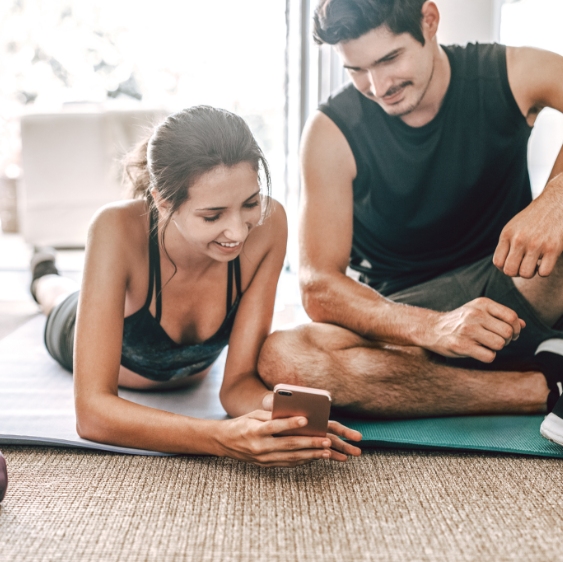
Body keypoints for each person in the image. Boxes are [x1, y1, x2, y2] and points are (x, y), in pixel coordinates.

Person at [257, 0, 563, 446]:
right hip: (405, 324)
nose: (378, 86)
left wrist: (556, 196)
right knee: (284, 358)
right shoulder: (330, 132)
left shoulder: (512, 71)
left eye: (389, 58)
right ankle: (538, 386)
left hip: (515, 282)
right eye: (356, 69)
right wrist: (434, 328)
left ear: (429, 20)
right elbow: (318, 284)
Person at [31, 106, 361, 466]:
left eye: (249, 203)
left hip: (188, 377)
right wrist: (221, 438)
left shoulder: (269, 224)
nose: (237, 233)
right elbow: (92, 414)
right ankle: (43, 274)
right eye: (212, 216)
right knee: (56, 295)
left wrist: (282, 416)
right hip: (70, 326)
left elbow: (236, 387)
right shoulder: (115, 227)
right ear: (162, 200)